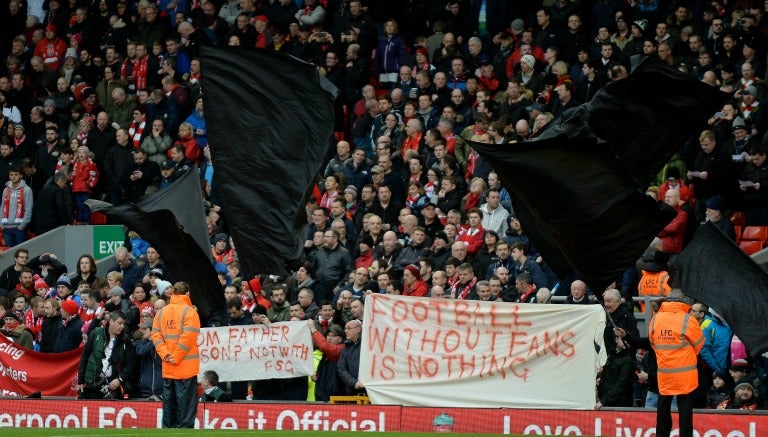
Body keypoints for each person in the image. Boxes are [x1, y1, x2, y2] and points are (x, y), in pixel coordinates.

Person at [649, 289, 704, 437]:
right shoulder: (688, 319)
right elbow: (699, 343)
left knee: (662, 410)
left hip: (664, 373)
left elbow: (652, 342)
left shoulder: (656, 318)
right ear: (683, 301)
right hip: (686, 375)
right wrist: (687, 355)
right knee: (685, 413)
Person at [151, 281, 201, 428]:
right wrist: (176, 356)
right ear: (187, 294)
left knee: (169, 408)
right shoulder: (190, 312)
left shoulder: (162, 313)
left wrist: (166, 354)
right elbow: (188, 337)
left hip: (168, 367)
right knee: (186, 412)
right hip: (186, 368)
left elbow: (155, 335)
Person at [77, 311, 135, 399]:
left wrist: (119, 379)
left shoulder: (125, 341)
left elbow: (130, 364)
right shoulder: (96, 333)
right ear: (111, 321)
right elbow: (85, 356)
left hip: (113, 385)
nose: (122, 326)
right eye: (119, 323)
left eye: (123, 324)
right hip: (93, 383)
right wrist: (80, 380)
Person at [1, 166, 33, 247]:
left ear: (21, 175)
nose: (13, 177)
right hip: (6, 228)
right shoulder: (6, 190)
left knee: (21, 253)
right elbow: (2, 207)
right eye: (11, 175)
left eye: (16, 174)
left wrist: (22, 226)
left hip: (19, 228)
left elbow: (29, 209)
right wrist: (1, 224)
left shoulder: (27, 190)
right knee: (9, 255)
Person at [337, 319, 364, 395]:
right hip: (352, 392)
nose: (345, 331)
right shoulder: (345, 349)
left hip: (369, 391)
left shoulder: (367, 345)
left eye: (349, 328)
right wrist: (354, 383)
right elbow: (341, 369)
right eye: (345, 329)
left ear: (358, 329)